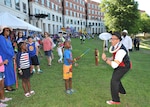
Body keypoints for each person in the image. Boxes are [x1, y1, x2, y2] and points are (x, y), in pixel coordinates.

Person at [102, 32, 130, 105]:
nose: (111, 40)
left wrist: (105, 60)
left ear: (118, 40)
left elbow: (114, 65)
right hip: (120, 65)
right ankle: (122, 91)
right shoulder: (116, 46)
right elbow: (114, 57)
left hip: (124, 66)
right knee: (117, 78)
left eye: (113, 39)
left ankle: (116, 100)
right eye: (111, 39)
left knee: (114, 81)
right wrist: (108, 58)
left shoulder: (121, 50)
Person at [0, 26, 16, 92]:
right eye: (6, 30)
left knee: (10, 71)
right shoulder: (1, 38)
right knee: (6, 71)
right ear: (3, 31)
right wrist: (11, 54)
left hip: (10, 57)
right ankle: (7, 86)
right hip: (4, 57)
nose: (8, 32)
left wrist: (13, 54)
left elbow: (11, 47)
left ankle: (9, 84)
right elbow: (5, 49)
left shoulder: (8, 38)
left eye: (8, 31)